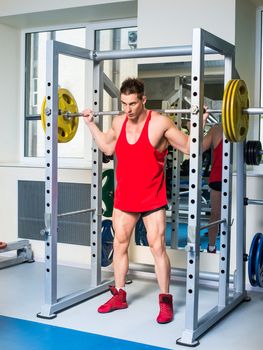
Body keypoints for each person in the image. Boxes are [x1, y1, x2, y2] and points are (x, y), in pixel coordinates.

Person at [83, 77, 208, 324]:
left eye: (132, 104)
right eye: (123, 104)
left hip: (152, 196)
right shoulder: (119, 121)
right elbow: (108, 148)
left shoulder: (160, 122)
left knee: (157, 247)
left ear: (143, 100)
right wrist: (91, 124)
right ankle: (119, 295)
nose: (127, 109)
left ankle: (165, 301)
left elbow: (189, 149)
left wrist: (200, 122)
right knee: (120, 243)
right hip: (125, 195)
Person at [203, 123, 223, 253]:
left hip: (219, 177)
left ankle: (211, 247)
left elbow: (198, 147)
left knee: (216, 214)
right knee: (216, 214)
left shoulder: (217, 129)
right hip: (226, 177)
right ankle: (211, 247)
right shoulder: (217, 129)